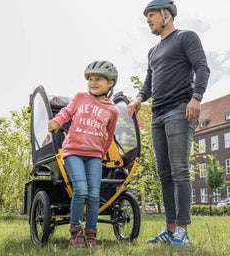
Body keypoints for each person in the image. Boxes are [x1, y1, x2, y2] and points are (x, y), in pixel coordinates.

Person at [129, 0, 211, 246]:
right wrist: (137, 99)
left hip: (179, 111)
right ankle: (170, 228)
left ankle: (182, 231)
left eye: (151, 15)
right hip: (157, 115)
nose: (148, 21)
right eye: (147, 18)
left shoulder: (187, 37)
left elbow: (202, 68)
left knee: (179, 170)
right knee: (164, 174)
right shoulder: (152, 51)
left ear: (167, 14)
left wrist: (196, 98)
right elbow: (148, 84)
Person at [48, 60, 121, 248]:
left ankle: (91, 236)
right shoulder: (81, 97)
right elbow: (67, 112)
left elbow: (109, 135)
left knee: (95, 195)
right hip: (73, 152)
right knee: (80, 190)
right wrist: (57, 121)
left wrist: (102, 153)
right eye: (90, 79)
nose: (93, 83)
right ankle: (76, 234)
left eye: (98, 79)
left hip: (95, 156)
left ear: (110, 83)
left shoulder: (112, 110)